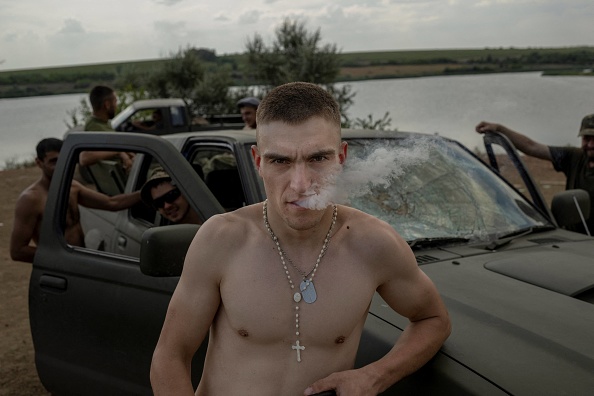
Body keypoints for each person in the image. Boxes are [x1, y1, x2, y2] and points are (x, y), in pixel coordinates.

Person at [150, 82, 451, 395]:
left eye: (317, 159)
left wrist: (375, 376)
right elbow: (171, 355)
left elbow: (433, 319)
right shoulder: (221, 239)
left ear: (341, 157)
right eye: (280, 161)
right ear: (258, 162)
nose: (301, 183)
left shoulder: (373, 244)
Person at [10, 138, 141, 263]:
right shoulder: (31, 199)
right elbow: (18, 251)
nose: (60, 165)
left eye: (63, 159)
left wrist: (145, 192)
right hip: (59, 269)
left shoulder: (72, 187)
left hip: (79, 263)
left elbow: (112, 203)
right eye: (53, 161)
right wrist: (62, 259)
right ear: (39, 162)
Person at [476, 115, 594, 234]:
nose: (590, 144)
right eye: (586, 138)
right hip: (575, 240)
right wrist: (500, 129)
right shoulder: (574, 157)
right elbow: (531, 147)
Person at [80, 85, 135, 170]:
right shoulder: (94, 127)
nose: (116, 106)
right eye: (115, 102)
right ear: (107, 105)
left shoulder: (103, 123)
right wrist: (118, 151)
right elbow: (84, 158)